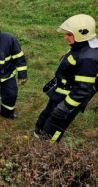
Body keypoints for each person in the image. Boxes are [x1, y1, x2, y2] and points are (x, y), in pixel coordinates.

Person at [34, 14, 98, 142]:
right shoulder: (81, 46)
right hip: (60, 93)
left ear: (82, 34)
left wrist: (66, 107)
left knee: (53, 128)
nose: (66, 37)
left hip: (68, 99)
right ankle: (35, 142)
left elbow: (82, 90)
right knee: (44, 118)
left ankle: (45, 152)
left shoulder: (88, 59)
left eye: (69, 34)